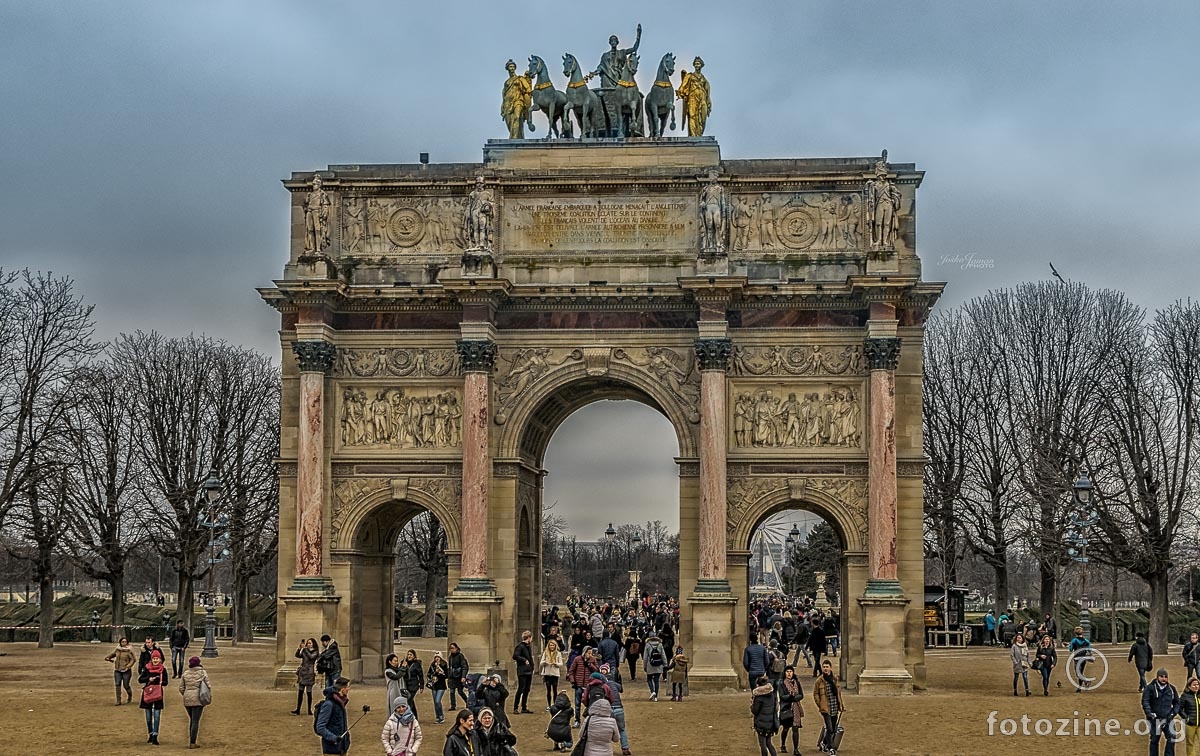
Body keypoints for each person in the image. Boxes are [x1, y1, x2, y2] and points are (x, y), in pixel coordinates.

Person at [1141, 668, 1179, 756]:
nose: (1164, 679)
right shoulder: (1150, 688)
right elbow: (1145, 701)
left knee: (1172, 738)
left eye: (1166, 677)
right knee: (1155, 740)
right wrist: (1149, 713)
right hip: (1155, 720)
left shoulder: (1172, 689)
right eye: (1162, 676)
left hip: (1168, 719)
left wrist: (1172, 714)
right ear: (1157, 677)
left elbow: (1177, 703)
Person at [812, 659, 844, 756]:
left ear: (830, 667)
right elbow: (815, 694)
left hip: (834, 706)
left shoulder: (834, 679)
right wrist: (820, 704)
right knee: (829, 728)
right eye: (824, 667)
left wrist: (841, 705)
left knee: (833, 729)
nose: (825, 669)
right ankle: (831, 748)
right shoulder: (819, 680)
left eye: (827, 667)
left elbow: (838, 693)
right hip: (825, 708)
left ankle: (824, 743)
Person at [138, 648, 169, 745]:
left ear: (160, 660)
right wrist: (149, 678)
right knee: (148, 717)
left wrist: (159, 681)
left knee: (156, 716)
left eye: (157, 659)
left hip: (158, 693)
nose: (155, 660)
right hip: (148, 692)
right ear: (151, 659)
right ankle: (150, 733)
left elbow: (165, 682)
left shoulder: (163, 670)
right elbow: (140, 679)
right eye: (154, 658)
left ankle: (155, 735)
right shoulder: (147, 668)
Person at [179, 656, 211, 749]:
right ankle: (192, 742)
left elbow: (181, 687)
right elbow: (208, 685)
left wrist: (186, 694)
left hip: (187, 699)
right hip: (198, 698)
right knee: (195, 721)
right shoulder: (202, 672)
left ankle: (192, 740)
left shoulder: (185, 673)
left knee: (192, 720)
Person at [316, 677, 352, 756]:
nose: (348, 689)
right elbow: (320, 727)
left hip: (342, 746)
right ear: (342, 689)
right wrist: (333, 738)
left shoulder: (340, 702)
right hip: (331, 748)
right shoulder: (328, 704)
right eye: (347, 687)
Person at [676, 56, 711, 137]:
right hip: (692, 98)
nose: (696, 65)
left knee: (703, 117)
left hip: (702, 98)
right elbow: (683, 86)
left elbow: (708, 93)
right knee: (692, 116)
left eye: (698, 64)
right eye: (695, 64)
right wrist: (680, 92)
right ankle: (693, 135)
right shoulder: (690, 76)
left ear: (701, 65)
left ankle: (699, 133)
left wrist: (709, 102)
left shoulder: (704, 79)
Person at [500, 59, 533, 139]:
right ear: (507, 68)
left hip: (518, 100)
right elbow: (504, 95)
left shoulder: (520, 78)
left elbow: (528, 89)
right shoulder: (506, 82)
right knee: (509, 122)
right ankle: (517, 137)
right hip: (507, 102)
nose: (512, 68)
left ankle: (514, 138)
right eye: (510, 67)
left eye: (513, 66)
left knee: (517, 117)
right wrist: (502, 105)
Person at [776, 665, 804, 754]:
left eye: (790, 671)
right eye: (787, 672)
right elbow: (781, 696)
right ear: (785, 673)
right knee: (786, 729)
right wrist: (790, 697)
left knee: (795, 728)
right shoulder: (781, 683)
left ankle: (796, 749)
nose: (789, 673)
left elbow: (801, 695)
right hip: (786, 708)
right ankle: (783, 744)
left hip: (795, 708)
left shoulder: (797, 683)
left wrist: (794, 698)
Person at [569, 647, 599, 726]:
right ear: (584, 652)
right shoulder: (577, 659)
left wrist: (590, 665)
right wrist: (573, 681)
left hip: (588, 686)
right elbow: (571, 671)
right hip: (578, 685)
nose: (590, 655)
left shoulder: (593, 660)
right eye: (588, 653)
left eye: (591, 653)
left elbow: (596, 671)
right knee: (577, 704)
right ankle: (577, 720)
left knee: (589, 704)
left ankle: (588, 719)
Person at [750, 675, 779, 756]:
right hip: (770, 723)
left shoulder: (759, 697)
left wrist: (752, 704)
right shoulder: (772, 694)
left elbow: (755, 711)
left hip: (761, 723)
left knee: (762, 744)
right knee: (769, 743)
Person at [105, 636, 136, 705]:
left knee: (126, 685)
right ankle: (118, 700)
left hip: (126, 671)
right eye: (122, 642)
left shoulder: (129, 651)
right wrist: (108, 657)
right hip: (117, 670)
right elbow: (113, 654)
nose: (124, 643)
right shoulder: (117, 649)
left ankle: (130, 695)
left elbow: (133, 660)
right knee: (117, 684)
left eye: (125, 642)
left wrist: (128, 666)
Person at [512, 630, 535, 714]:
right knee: (521, 689)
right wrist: (524, 660)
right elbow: (515, 656)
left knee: (527, 689)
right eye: (531, 637)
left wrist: (532, 667)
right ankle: (515, 707)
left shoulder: (528, 647)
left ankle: (524, 707)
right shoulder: (520, 646)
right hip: (522, 671)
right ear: (528, 638)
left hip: (528, 671)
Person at [1178, 676, 1200, 756]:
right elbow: (1179, 709)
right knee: (1190, 743)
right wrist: (1186, 718)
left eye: (1197, 684)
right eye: (1194, 685)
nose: (1196, 686)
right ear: (1189, 686)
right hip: (1190, 724)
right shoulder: (1185, 696)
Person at [401, 649, 426, 721]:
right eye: (408, 654)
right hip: (406, 684)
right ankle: (415, 716)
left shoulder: (416, 664)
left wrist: (421, 686)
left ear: (414, 656)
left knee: (409, 700)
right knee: (411, 701)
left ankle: (409, 717)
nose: (409, 656)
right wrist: (403, 666)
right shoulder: (404, 662)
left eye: (410, 655)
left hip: (414, 685)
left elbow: (420, 675)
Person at [540, 638, 564, 710]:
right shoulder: (545, 653)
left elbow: (561, 663)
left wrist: (556, 664)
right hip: (547, 673)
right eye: (550, 645)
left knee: (555, 689)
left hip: (555, 673)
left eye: (553, 645)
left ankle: (555, 704)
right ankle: (549, 704)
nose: (552, 647)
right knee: (548, 690)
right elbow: (541, 662)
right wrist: (544, 662)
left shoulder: (558, 653)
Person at [642, 634, 668, 702]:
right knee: (656, 681)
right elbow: (663, 655)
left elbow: (645, 657)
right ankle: (656, 696)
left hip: (650, 664)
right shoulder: (660, 644)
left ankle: (652, 691)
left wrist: (644, 666)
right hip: (658, 664)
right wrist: (665, 664)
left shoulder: (647, 644)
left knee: (649, 679)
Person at [1068, 626, 1094, 692]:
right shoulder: (1086, 641)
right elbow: (1089, 649)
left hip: (1077, 658)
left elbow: (1070, 649)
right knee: (1081, 672)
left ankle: (1086, 681)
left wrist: (1069, 646)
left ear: (1075, 633)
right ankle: (1079, 688)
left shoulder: (1074, 640)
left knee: (1078, 673)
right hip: (1084, 658)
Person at [447, 642, 470, 711]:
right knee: (451, 691)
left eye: (453, 648)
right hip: (452, 677)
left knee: (460, 691)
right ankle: (453, 705)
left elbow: (464, 666)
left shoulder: (460, 656)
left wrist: (463, 676)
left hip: (459, 677)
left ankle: (468, 702)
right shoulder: (450, 657)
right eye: (450, 648)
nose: (451, 650)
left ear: (456, 648)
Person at [428, 651, 449, 724]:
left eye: (438, 657)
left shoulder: (444, 665)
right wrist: (434, 674)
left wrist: (439, 672)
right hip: (434, 685)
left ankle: (441, 716)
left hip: (441, 685)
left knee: (437, 700)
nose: (437, 659)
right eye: (436, 657)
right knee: (435, 702)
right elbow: (429, 674)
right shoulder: (432, 665)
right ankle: (437, 717)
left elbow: (446, 675)